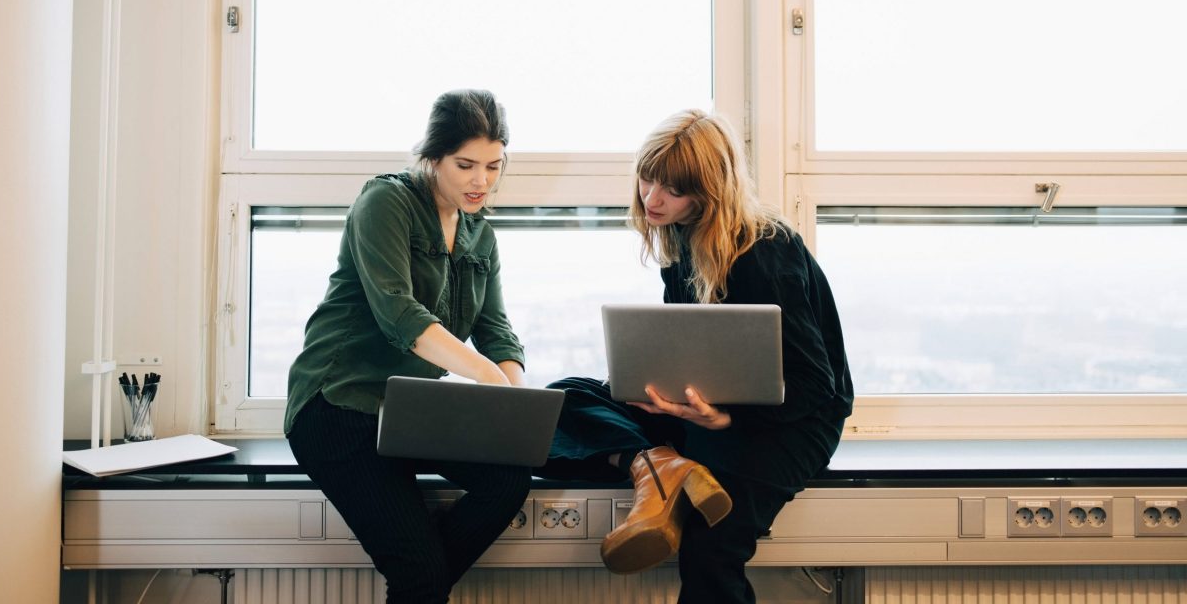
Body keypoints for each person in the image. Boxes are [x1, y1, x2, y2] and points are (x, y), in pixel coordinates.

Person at [538, 109, 854, 604]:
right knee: (562, 400)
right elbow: (687, 346)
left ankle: (657, 466)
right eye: (647, 178)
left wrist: (725, 418)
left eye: (672, 190)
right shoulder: (681, 240)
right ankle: (659, 464)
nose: (652, 198)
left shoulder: (765, 254)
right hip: (705, 410)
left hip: (790, 424)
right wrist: (659, 391)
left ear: (709, 193)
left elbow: (818, 387)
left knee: (710, 547)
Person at [285, 90, 529, 604]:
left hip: (410, 414)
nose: (481, 181)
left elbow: (497, 329)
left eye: (493, 165)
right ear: (433, 156)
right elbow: (399, 314)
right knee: (420, 574)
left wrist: (516, 398)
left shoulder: (481, 236)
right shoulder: (386, 202)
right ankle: (420, 572)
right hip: (338, 408)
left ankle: (421, 573)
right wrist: (487, 378)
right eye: (465, 165)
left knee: (507, 482)